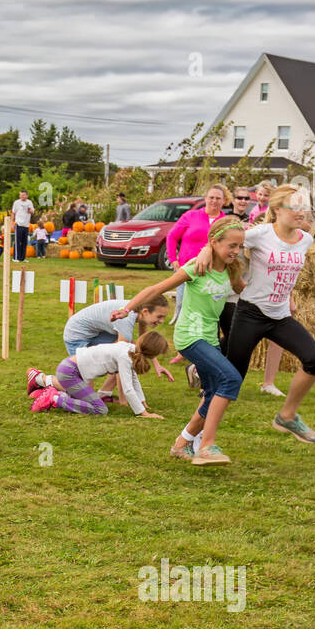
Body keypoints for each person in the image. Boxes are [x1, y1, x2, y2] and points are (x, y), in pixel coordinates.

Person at [114, 215, 247, 465]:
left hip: (210, 338)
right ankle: (206, 445)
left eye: (240, 246)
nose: (236, 251)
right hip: (190, 337)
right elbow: (157, 289)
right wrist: (128, 308)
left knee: (212, 394)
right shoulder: (198, 266)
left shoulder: (231, 270)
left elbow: (244, 289)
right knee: (230, 379)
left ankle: (181, 444)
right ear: (214, 242)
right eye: (232, 246)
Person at [216, 185, 315, 443]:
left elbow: (285, 273)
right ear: (277, 210)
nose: (302, 213)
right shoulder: (259, 234)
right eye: (295, 207)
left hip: (279, 317)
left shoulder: (306, 239)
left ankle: (287, 416)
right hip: (250, 314)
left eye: (304, 207)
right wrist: (204, 254)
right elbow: (222, 239)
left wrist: (290, 296)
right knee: (232, 380)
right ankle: (192, 437)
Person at [49, 295, 173, 401]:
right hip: (77, 334)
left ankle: (104, 394)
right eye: (159, 317)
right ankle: (44, 380)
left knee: (126, 353)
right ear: (145, 311)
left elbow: (143, 344)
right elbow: (123, 357)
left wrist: (157, 364)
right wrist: (124, 401)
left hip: (98, 333)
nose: (161, 321)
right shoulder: (126, 318)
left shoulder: (138, 312)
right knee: (86, 393)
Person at [28, 330, 170, 418]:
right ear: (151, 354)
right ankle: (55, 398)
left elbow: (133, 379)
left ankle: (47, 390)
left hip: (70, 370)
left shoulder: (132, 350)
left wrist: (142, 402)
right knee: (100, 409)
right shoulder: (125, 355)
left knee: (85, 401)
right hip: (71, 372)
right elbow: (128, 388)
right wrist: (142, 413)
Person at [164, 183, 230, 331]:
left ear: (224, 201)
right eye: (211, 197)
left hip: (212, 272)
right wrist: (173, 259)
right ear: (205, 198)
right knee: (182, 304)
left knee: (208, 307)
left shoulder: (226, 221)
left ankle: (205, 336)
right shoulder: (190, 216)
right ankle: (182, 340)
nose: (214, 201)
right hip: (187, 268)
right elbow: (172, 237)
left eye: (218, 198)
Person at [11, 189, 35, 262]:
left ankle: (22, 258)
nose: (22, 196)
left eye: (23, 195)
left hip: (26, 225)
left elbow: (32, 212)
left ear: (26, 195)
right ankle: (15, 257)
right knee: (18, 241)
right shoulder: (16, 202)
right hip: (19, 224)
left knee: (24, 242)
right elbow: (13, 212)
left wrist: (30, 211)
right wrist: (12, 222)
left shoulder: (29, 202)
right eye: (20, 195)